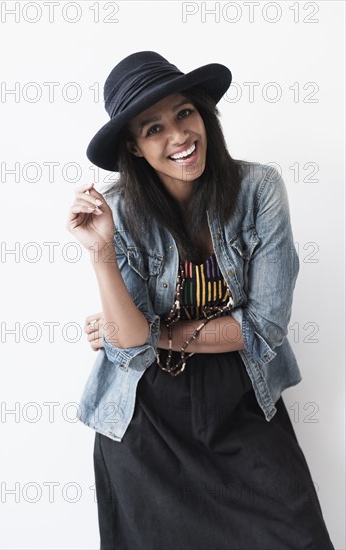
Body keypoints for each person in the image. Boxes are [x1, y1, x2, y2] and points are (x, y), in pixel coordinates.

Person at [66, 51, 335, 550]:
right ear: (135, 146)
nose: (179, 137)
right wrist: (102, 252)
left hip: (242, 400)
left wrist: (151, 331)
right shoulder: (119, 211)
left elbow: (263, 330)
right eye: (153, 128)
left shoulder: (259, 191)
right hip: (145, 421)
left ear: (203, 115)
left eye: (185, 113)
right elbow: (128, 351)